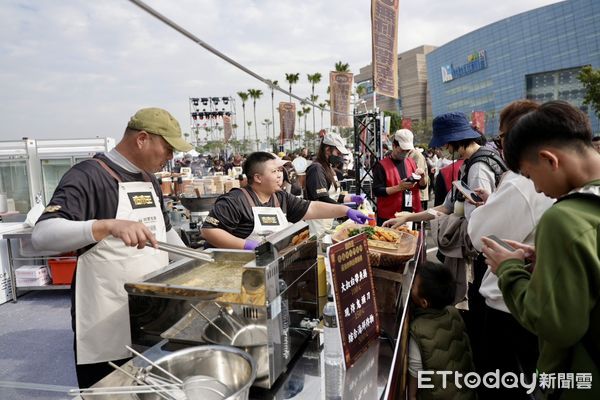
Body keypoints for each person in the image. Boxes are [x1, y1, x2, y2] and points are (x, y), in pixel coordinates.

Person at [31, 107, 193, 388]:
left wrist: (197, 265)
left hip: (151, 317)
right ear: (142, 139)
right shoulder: (88, 176)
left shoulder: (149, 179)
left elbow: (164, 234)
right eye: (167, 149)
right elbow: (42, 236)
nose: (171, 158)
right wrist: (105, 226)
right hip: (106, 320)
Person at [482, 101, 600, 400]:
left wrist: (508, 270)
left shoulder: (564, 219)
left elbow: (557, 326)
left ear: (549, 159)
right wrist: (548, 258)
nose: (535, 189)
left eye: (529, 174)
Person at [467, 100, 554, 399]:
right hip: (528, 303)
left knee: (504, 385)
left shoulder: (521, 182)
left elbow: (480, 235)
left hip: (510, 306)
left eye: (501, 137)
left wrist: (486, 208)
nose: (500, 145)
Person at [200, 151, 371, 249]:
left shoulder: (280, 197)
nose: (280, 175)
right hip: (239, 270)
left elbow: (312, 208)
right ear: (258, 177)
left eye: (280, 170)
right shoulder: (235, 200)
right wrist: (247, 246)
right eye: (274, 171)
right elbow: (208, 231)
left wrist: (345, 210)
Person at [408, 262, 476, 400]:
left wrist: (412, 396)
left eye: (413, 285)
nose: (411, 287)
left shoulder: (419, 330)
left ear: (424, 303)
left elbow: (414, 376)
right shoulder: (454, 313)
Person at [305, 132, 365, 236]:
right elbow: (322, 199)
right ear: (327, 150)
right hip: (317, 226)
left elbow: (334, 196)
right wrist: (346, 211)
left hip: (327, 222)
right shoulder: (316, 169)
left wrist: (352, 198)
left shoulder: (329, 168)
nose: (340, 157)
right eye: (338, 153)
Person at [372, 129, 427, 226]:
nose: (405, 153)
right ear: (394, 146)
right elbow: (377, 191)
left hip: (410, 214)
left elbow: (422, 186)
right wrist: (399, 187)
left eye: (407, 150)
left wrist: (422, 177)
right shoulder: (381, 165)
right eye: (402, 150)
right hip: (389, 216)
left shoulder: (411, 162)